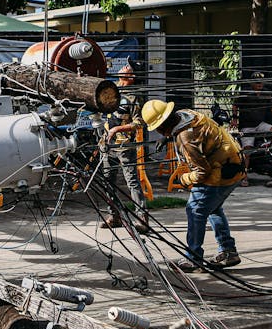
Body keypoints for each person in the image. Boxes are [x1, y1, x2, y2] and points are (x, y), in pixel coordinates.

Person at [141, 99, 245, 272]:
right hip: (234, 163)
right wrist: (167, 139)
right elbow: (188, 133)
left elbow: (202, 171)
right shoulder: (186, 114)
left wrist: (184, 179)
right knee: (212, 208)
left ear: (162, 125)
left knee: (195, 209)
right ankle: (228, 251)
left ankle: (193, 258)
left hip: (221, 172)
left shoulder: (185, 139)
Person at [99, 64, 150, 233]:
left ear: (132, 76)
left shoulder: (133, 98)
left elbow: (139, 123)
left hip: (124, 146)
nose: (125, 66)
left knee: (132, 182)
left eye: (129, 67)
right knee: (108, 182)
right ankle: (113, 216)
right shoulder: (109, 90)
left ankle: (142, 218)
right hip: (107, 145)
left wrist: (116, 129)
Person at [235, 72, 272, 175]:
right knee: (247, 150)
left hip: (259, 124)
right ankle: (244, 176)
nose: (259, 84)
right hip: (247, 127)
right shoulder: (246, 92)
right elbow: (235, 105)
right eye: (257, 82)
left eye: (261, 82)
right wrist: (234, 120)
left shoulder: (266, 93)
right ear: (252, 83)